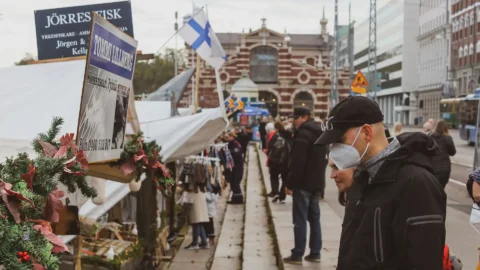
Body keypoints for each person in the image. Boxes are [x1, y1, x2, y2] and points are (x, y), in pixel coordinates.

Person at [315, 96, 446, 269]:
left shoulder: (416, 183)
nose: (335, 150)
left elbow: (424, 261)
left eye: (340, 141)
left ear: (367, 133)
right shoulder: (362, 179)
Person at [283, 107, 327, 265]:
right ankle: (315, 252)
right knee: (315, 219)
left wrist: (290, 184)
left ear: (305, 117)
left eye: (296, 117)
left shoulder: (303, 135)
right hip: (317, 183)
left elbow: (298, 163)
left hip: (303, 184)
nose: (294, 120)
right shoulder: (321, 133)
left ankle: (297, 254)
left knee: (299, 219)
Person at [266, 122, 292, 203]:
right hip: (286, 162)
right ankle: (282, 196)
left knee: (274, 177)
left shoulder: (275, 136)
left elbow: (270, 147)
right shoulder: (288, 135)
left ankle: (275, 192)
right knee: (285, 179)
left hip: (275, 161)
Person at [430, 120, 457, 188]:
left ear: (436, 127)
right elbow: (452, 152)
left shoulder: (430, 137)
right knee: (441, 189)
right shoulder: (447, 138)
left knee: (432, 189)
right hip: (444, 169)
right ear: (445, 128)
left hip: (432, 167)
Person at [225, 131, 244, 204]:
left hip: (237, 167)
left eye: (227, 137)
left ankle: (238, 199)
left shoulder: (235, 144)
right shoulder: (231, 144)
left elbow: (237, 154)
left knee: (236, 183)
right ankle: (235, 198)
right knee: (233, 183)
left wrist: (230, 153)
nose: (226, 139)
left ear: (231, 136)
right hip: (234, 166)